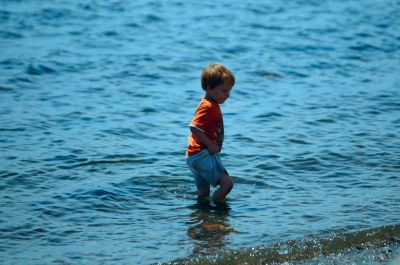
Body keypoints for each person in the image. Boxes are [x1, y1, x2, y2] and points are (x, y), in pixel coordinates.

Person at [186, 63, 235, 202]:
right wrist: (210, 145)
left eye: (229, 91)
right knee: (227, 184)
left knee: (203, 193)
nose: (227, 95)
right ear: (209, 88)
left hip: (194, 156)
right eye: (224, 91)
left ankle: (203, 215)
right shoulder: (208, 106)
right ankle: (215, 213)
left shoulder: (211, 104)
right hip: (202, 155)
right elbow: (194, 127)